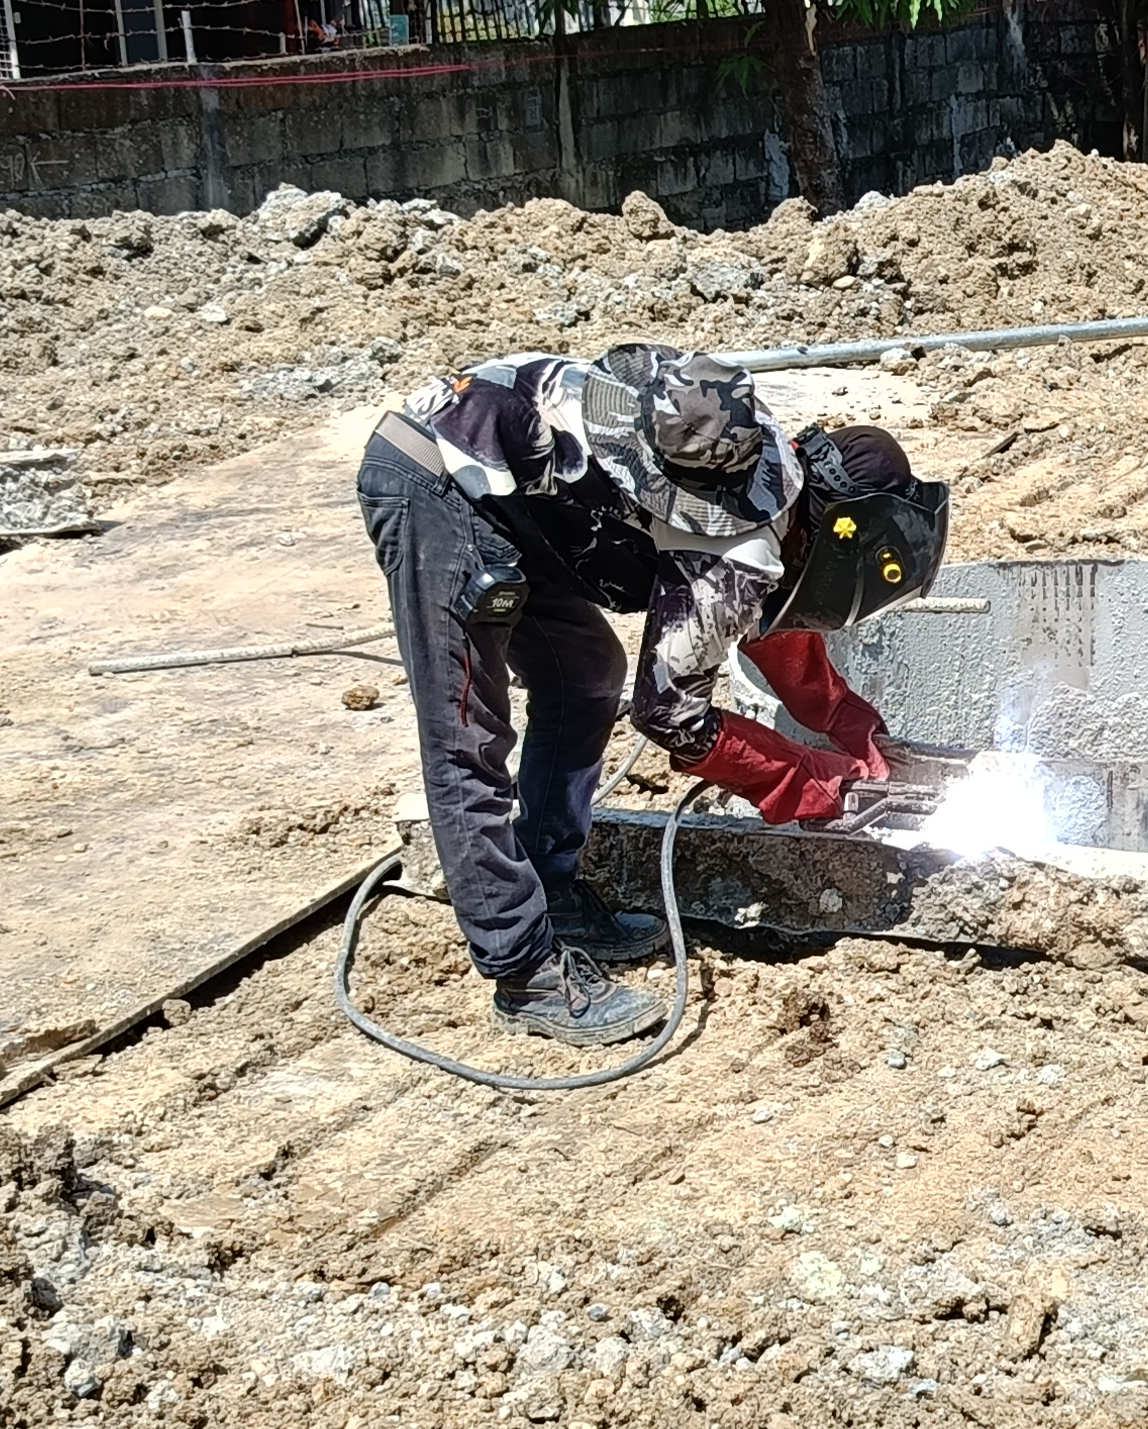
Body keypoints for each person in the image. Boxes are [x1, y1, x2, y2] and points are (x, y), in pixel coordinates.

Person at [359, 342, 952, 1044]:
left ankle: (552, 889)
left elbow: (761, 621)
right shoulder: (735, 523)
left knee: (584, 677)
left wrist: (855, 732)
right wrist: (808, 780)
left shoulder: (764, 461)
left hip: (515, 495)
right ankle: (524, 971)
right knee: (466, 739)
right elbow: (672, 717)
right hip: (437, 481)